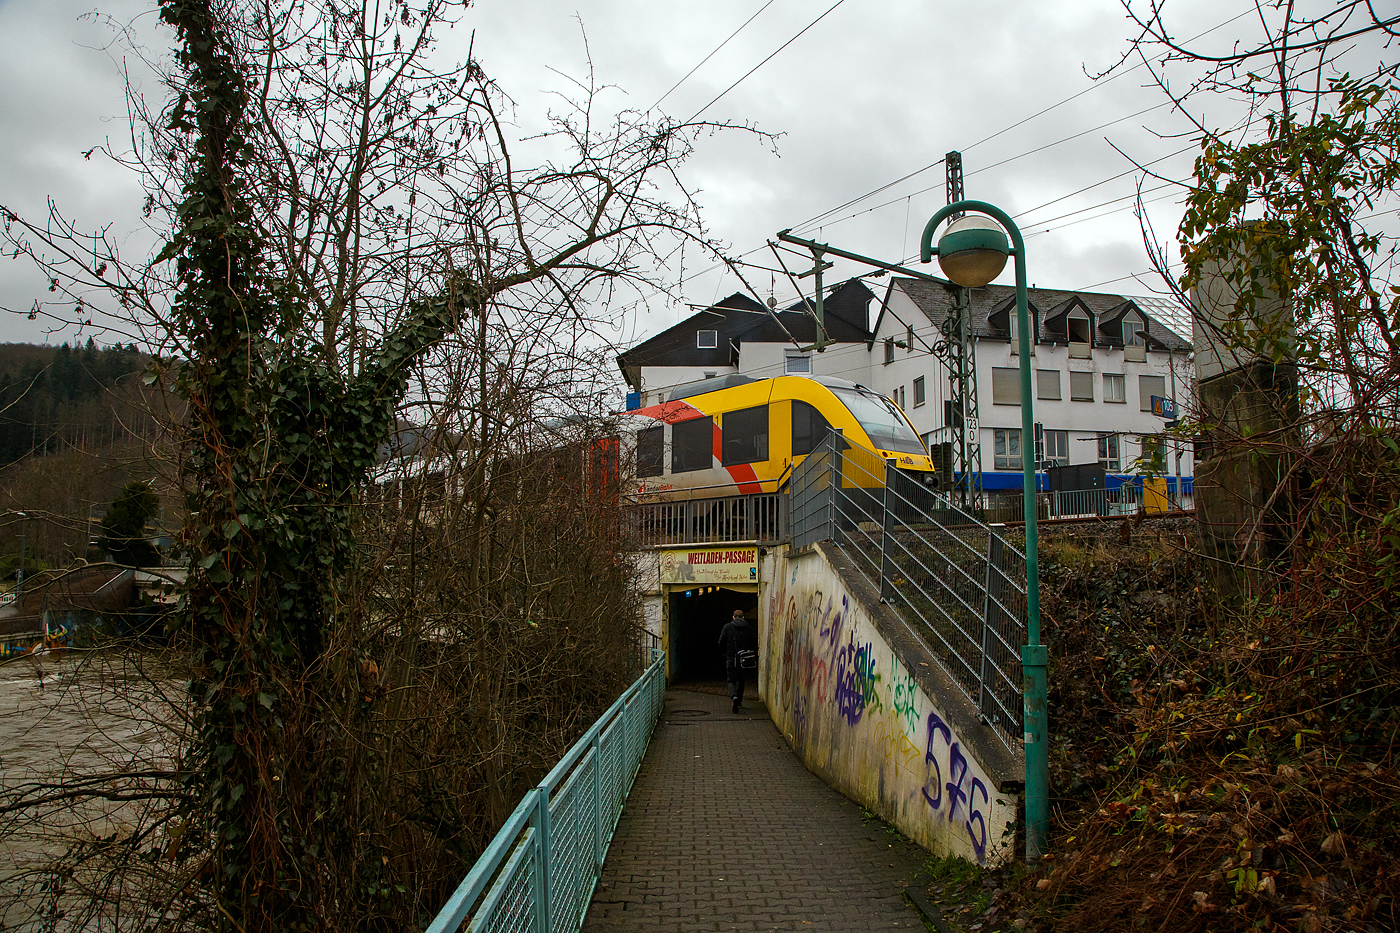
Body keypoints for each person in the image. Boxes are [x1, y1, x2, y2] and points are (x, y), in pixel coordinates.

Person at [718, 608, 757, 713]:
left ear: (733, 617)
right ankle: (739, 701)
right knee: (741, 679)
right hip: (743, 658)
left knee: (731, 679)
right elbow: (753, 641)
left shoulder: (727, 627)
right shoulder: (748, 627)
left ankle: (733, 696)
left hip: (731, 657)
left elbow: (721, 641)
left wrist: (723, 652)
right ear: (743, 617)